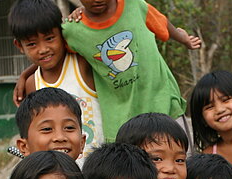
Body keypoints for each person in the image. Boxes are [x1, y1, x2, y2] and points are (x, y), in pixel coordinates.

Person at [52, 0, 201, 142]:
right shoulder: (73, 31)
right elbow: (50, 54)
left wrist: (184, 38)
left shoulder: (133, 5)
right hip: (122, 122)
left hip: (164, 103)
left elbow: (161, 22)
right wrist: (27, 75)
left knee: (178, 159)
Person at [8, 0, 103, 157]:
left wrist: (86, 14)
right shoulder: (33, 83)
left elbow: (101, 38)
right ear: (19, 46)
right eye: (32, 44)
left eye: (50, 38)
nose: (43, 49)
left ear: (62, 33)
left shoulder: (81, 63)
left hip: (97, 168)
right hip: (58, 173)